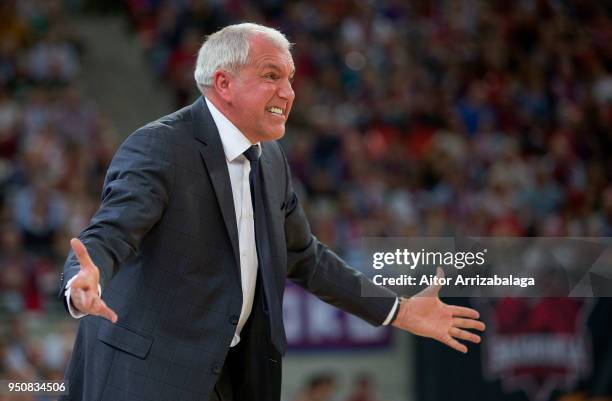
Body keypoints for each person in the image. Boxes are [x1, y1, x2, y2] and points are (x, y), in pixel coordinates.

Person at [57, 23, 485, 401]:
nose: (288, 91)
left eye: (290, 78)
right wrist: (83, 279)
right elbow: (113, 230)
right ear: (223, 83)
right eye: (271, 76)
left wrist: (400, 311)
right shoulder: (161, 147)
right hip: (148, 376)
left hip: (232, 375)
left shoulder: (272, 158)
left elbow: (305, 257)